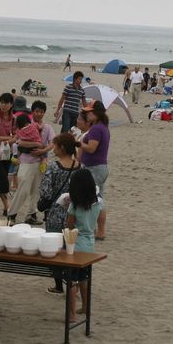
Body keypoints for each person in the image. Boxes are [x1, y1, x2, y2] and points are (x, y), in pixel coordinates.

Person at [38, 133, 80, 294]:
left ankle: (59, 285)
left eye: (55, 146)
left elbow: (46, 192)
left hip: (55, 213)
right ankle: (72, 283)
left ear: (61, 147)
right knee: (69, 249)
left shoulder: (54, 167)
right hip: (74, 214)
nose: (53, 148)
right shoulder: (79, 166)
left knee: (54, 250)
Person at [64, 167, 102, 314]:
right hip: (90, 243)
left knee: (72, 281)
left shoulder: (75, 205)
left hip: (76, 244)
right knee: (84, 278)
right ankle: (86, 307)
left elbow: (70, 225)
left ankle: (71, 314)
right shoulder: (98, 203)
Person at [10, 106, 52, 224]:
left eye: (42, 112)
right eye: (37, 111)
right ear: (32, 112)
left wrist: (43, 151)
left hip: (40, 163)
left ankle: (31, 215)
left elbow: (53, 142)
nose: (39, 114)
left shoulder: (47, 127)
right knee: (23, 190)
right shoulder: (24, 125)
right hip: (26, 162)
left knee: (36, 191)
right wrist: (37, 144)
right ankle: (11, 214)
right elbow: (19, 142)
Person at [77, 100, 111, 239]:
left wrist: (78, 143)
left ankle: (99, 230)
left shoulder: (97, 128)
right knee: (98, 199)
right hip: (99, 167)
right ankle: (100, 230)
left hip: (95, 168)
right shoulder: (102, 126)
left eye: (89, 111)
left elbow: (91, 148)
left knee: (95, 200)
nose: (87, 114)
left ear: (96, 113)